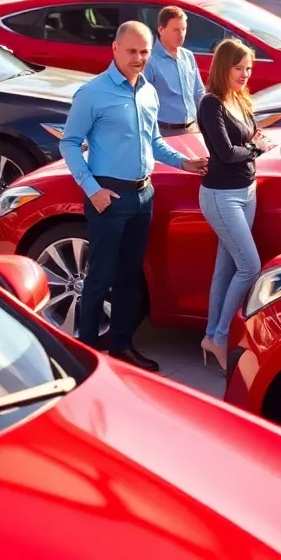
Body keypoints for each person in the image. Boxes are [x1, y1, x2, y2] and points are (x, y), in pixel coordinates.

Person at [59, 21, 208, 371]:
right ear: (114, 48)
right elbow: (67, 143)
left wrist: (185, 163)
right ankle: (87, 355)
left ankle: (122, 348)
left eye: (144, 52)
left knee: (130, 277)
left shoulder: (148, 92)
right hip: (108, 197)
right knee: (100, 277)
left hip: (144, 196)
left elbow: (154, 143)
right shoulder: (93, 93)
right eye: (131, 51)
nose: (138, 58)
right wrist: (92, 190)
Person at [196, 38, 271, 372]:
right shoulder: (211, 104)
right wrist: (256, 150)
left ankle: (211, 335)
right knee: (250, 267)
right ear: (223, 67)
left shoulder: (240, 98)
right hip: (221, 195)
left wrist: (252, 147)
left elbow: (248, 140)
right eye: (239, 68)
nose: (245, 74)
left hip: (247, 190)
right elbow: (226, 153)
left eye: (248, 68)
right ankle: (221, 336)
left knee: (225, 269)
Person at [143, 6, 204, 134]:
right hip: (165, 132)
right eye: (176, 30)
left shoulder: (188, 56)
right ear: (161, 29)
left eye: (184, 29)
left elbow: (198, 93)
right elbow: (142, 102)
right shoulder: (150, 61)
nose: (181, 34)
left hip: (192, 129)